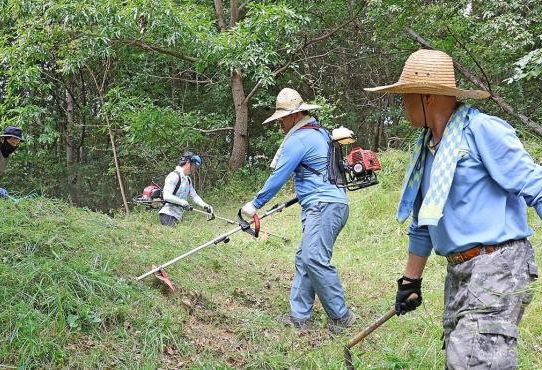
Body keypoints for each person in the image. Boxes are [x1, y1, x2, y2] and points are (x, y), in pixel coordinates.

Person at [365, 49, 540, 369]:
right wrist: (410, 282)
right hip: (459, 269)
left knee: (475, 358)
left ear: (428, 96)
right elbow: (423, 222)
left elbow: (536, 186)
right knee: (461, 353)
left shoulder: (482, 130)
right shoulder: (426, 148)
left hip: (498, 263)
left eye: (406, 96)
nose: (402, 105)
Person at [240, 88, 354, 333]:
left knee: (313, 258)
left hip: (324, 205)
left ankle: (342, 316)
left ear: (295, 115)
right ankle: (300, 316)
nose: (279, 122)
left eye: (282, 117)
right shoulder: (320, 133)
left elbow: (279, 175)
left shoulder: (299, 138)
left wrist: (255, 204)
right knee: (305, 258)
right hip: (329, 203)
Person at [158, 151, 213, 227]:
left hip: (178, 217)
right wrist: (182, 202)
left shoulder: (188, 180)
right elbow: (166, 196)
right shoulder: (174, 176)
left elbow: (194, 196)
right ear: (187, 163)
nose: (195, 169)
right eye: (194, 166)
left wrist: (205, 206)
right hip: (167, 215)